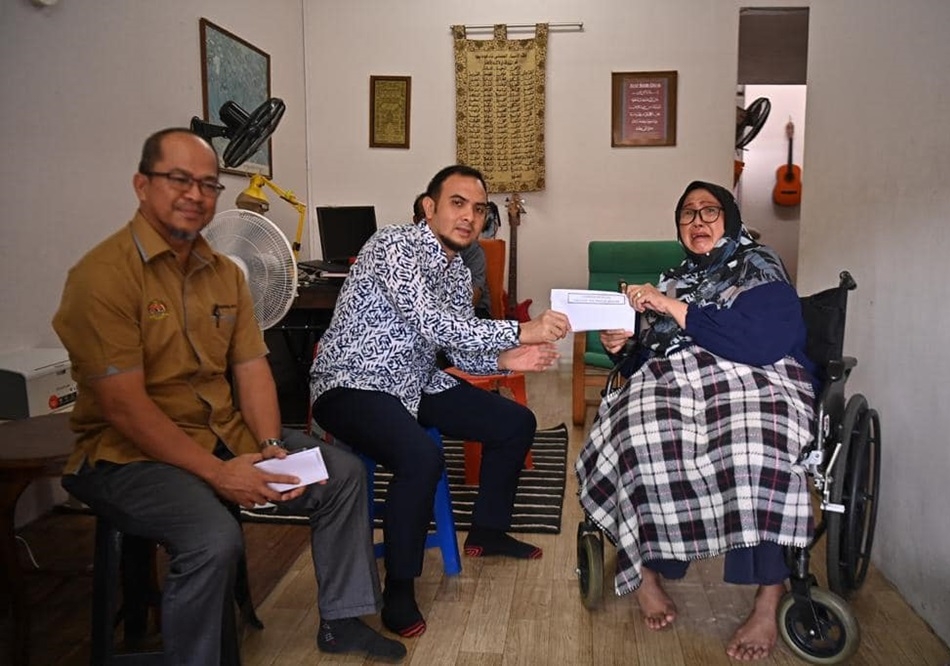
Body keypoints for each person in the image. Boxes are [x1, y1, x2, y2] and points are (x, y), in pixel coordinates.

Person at [52, 128, 405, 664]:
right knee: (214, 539)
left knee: (342, 475)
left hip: (223, 437)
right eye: (179, 180)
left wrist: (266, 445)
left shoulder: (224, 274)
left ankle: (341, 620)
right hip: (127, 458)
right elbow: (125, 407)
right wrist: (219, 474)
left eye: (208, 185)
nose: (195, 194)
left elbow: (252, 369)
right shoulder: (102, 277)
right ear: (141, 185)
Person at [311, 164, 569, 638]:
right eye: (457, 203)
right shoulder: (392, 245)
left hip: (417, 382)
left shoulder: (455, 272)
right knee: (420, 457)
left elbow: (458, 347)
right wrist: (521, 329)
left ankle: (487, 531)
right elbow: (434, 324)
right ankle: (400, 587)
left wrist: (511, 359)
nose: (469, 217)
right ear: (428, 207)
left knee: (516, 424)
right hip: (353, 383)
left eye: (478, 208)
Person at [576, 180, 817, 661]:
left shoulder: (759, 266)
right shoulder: (673, 278)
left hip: (756, 377)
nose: (698, 221)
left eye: (710, 211)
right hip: (675, 380)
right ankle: (646, 570)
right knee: (635, 433)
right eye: (687, 214)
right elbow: (648, 353)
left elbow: (759, 341)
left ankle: (769, 598)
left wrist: (668, 306)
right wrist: (625, 347)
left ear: (730, 218)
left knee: (757, 442)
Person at [414, 191, 491, 319]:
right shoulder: (406, 249)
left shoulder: (470, 248)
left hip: (473, 312)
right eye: (425, 216)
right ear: (416, 220)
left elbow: (473, 297)